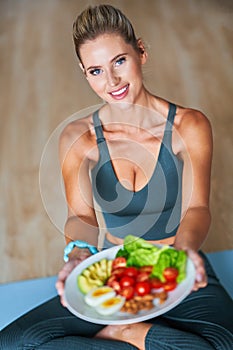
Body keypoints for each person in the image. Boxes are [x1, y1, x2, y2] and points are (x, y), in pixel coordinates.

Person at [1, 4, 232, 350]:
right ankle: (141, 337)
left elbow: (197, 208)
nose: (110, 82)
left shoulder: (189, 125)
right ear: (84, 73)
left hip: (177, 263)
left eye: (119, 61)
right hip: (113, 273)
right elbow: (80, 216)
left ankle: (126, 334)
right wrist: (78, 253)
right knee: (13, 342)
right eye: (95, 70)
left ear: (141, 51)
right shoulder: (79, 138)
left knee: (224, 343)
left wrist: (184, 254)